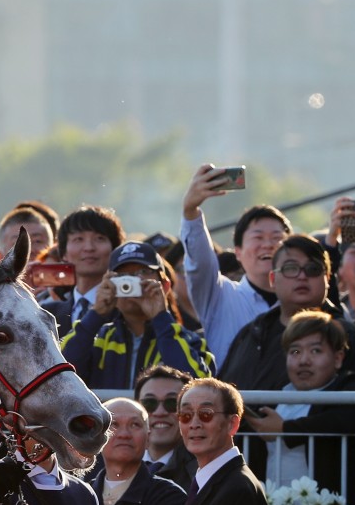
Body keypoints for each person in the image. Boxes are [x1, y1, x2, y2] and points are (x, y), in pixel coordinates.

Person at [242, 310, 355, 505]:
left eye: (315, 351)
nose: (304, 360)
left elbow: (348, 419)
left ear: (338, 358)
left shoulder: (350, 385)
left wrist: (286, 429)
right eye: (295, 352)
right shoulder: (277, 393)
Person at [218, 234, 355, 391]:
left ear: (328, 278)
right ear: (273, 279)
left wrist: (287, 420)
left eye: (313, 269)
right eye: (290, 268)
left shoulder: (348, 337)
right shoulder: (253, 332)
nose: (302, 276)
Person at [61, 241, 214, 389]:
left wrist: (161, 317)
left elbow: (197, 387)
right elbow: (58, 373)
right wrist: (96, 314)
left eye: (143, 272)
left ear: (165, 286)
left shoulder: (190, 341)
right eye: (122, 275)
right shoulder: (98, 339)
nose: (133, 282)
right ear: (107, 284)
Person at [180, 164, 292, 362]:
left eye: (277, 238)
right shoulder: (220, 296)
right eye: (258, 238)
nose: (268, 245)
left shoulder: (301, 299)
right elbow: (201, 263)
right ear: (237, 252)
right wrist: (191, 212)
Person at [170, 377, 268, 505]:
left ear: (232, 424)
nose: (194, 424)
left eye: (206, 414)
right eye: (186, 415)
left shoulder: (238, 490)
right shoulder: (210, 481)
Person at [90, 398, 186, 505]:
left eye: (135, 425)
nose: (124, 434)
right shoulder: (79, 494)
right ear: (96, 437)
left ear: (148, 438)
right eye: (114, 424)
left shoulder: (169, 496)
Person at [40, 205, 124, 337]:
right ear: (64, 253)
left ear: (114, 249)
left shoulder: (126, 311)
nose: (89, 248)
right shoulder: (48, 314)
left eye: (99, 238)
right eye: (78, 239)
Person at [134, 364, 196, 491]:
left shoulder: (201, 471)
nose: (160, 412)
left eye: (172, 403)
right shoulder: (109, 461)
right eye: (149, 403)